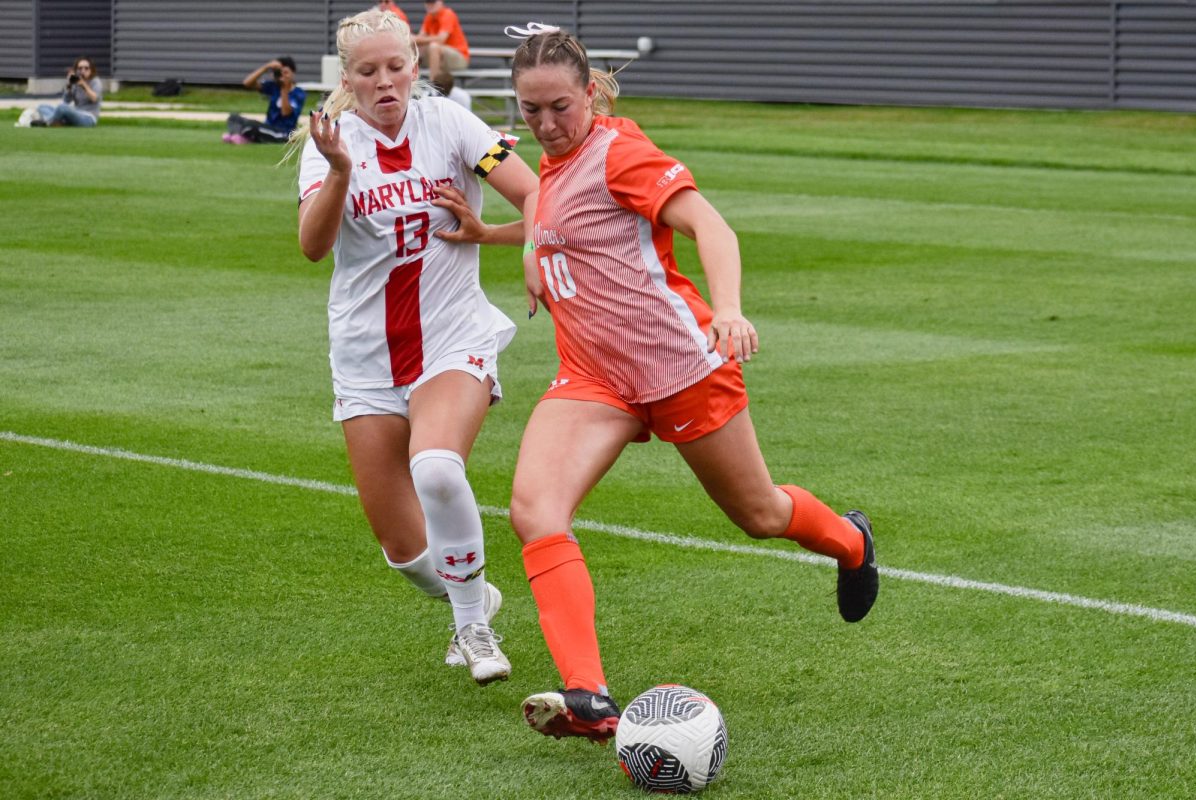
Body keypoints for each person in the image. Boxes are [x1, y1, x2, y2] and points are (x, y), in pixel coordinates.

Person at [438, 25, 880, 741]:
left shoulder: (620, 154)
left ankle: (851, 541)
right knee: (535, 511)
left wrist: (729, 309)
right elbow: (563, 228)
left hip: (682, 367)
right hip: (593, 379)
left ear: (589, 93)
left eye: (559, 108)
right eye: (530, 111)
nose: (546, 125)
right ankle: (589, 697)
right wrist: (489, 235)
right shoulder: (550, 163)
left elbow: (711, 227)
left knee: (759, 514)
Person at [291, 9, 538, 686]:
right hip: (366, 355)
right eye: (368, 72)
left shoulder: (453, 124)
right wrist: (340, 171)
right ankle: (472, 598)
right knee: (403, 549)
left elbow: (534, 191)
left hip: (453, 339)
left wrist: (520, 247)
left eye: (397, 66)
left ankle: (475, 632)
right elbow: (313, 246)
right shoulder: (329, 142)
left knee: (436, 468)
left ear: (416, 64)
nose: (386, 81)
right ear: (349, 78)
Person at [224, 57, 306, 144]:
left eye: (286, 73)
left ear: (293, 73)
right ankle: (241, 135)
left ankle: (241, 136)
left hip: (284, 132)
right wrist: (266, 67)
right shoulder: (274, 87)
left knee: (252, 126)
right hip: (268, 126)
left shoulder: (298, 93)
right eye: (280, 73)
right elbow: (247, 83)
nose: (283, 76)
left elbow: (285, 113)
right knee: (234, 118)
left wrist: (284, 89)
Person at [414, 0, 469, 87]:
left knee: (434, 46)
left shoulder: (447, 14)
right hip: (440, 58)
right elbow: (419, 38)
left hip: (459, 58)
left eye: (433, 2)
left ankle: (433, 86)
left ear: (441, 2)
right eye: (427, 2)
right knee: (414, 47)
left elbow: (440, 39)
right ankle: (413, 84)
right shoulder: (429, 17)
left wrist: (416, 38)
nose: (430, 5)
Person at [34, 57, 102, 127]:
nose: (83, 70)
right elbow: (66, 101)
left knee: (61, 108)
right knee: (42, 107)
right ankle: (57, 122)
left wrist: (83, 85)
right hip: (75, 112)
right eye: (80, 68)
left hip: (88, 117)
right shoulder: (76, 82)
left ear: (91, 70)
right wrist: (69, 85)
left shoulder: (95, 81)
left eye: (86, 68)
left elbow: (94, 98)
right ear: (76, 70)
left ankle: (47, 122)